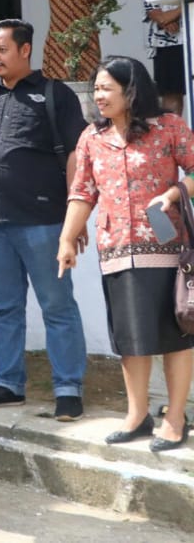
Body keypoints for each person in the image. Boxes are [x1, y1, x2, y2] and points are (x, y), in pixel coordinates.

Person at [59, 56, 194, 452]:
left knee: (174, 337)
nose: (98, 96)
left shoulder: (169, 127)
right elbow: (82, 192)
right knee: (131, 340)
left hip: (169, 252)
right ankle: (137, 416)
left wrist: (174, 193)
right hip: (117, 251)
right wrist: (67, 239)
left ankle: (176, 416)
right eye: (96, 89)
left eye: (106, 89)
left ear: (130, 90)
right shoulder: (92, 138)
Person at [0, 19, 89, 421]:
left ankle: (68, 388)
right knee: (5, 308)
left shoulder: (55, 95)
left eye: (1, 50)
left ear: (25, 50)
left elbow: (75, 155)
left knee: (57, 306)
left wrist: (75, 216)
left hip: (43, 221)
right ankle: (8, 384)